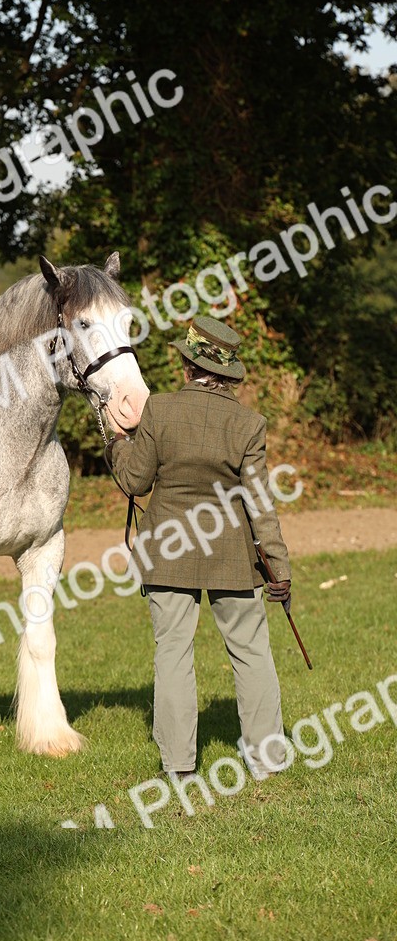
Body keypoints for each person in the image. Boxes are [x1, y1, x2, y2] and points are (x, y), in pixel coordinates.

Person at [106, 316, 292, 781]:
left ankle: (179, 767)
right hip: (233, 557)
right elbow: (261, 506)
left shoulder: (160, 411)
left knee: (172, 652)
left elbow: (134, 480)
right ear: (229, 375)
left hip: (167, 551)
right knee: (251, 653)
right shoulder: (250, 424)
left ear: (188, 366)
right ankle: (267, 759)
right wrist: (280, 570)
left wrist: (115, 442)